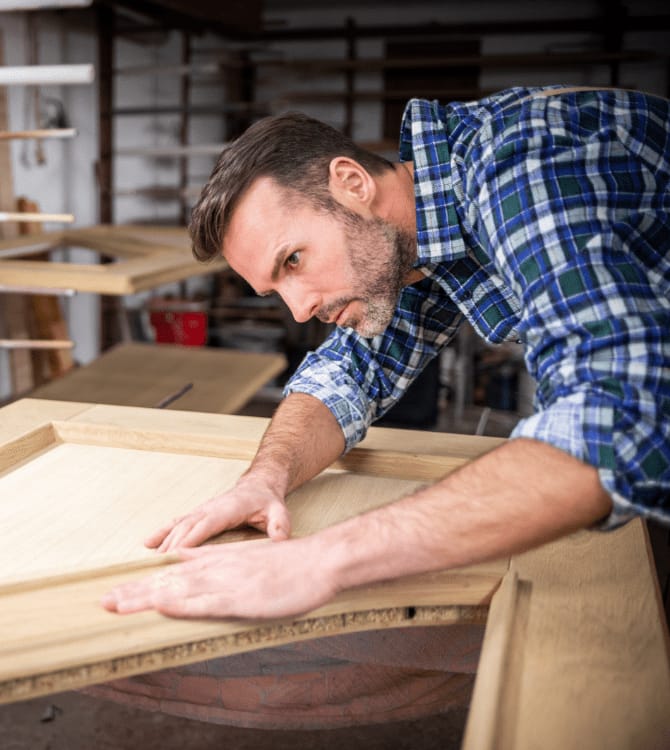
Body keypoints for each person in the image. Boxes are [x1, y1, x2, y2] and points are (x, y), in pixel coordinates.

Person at [102, 84, 670, 621]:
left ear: (351, 183)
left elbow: (620, 421)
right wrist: (266, 478)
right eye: (277, 290)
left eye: (293, 261)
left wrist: (322, 560)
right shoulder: (417, 231)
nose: (299, 310)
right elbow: (348, 374)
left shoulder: (516, 170)